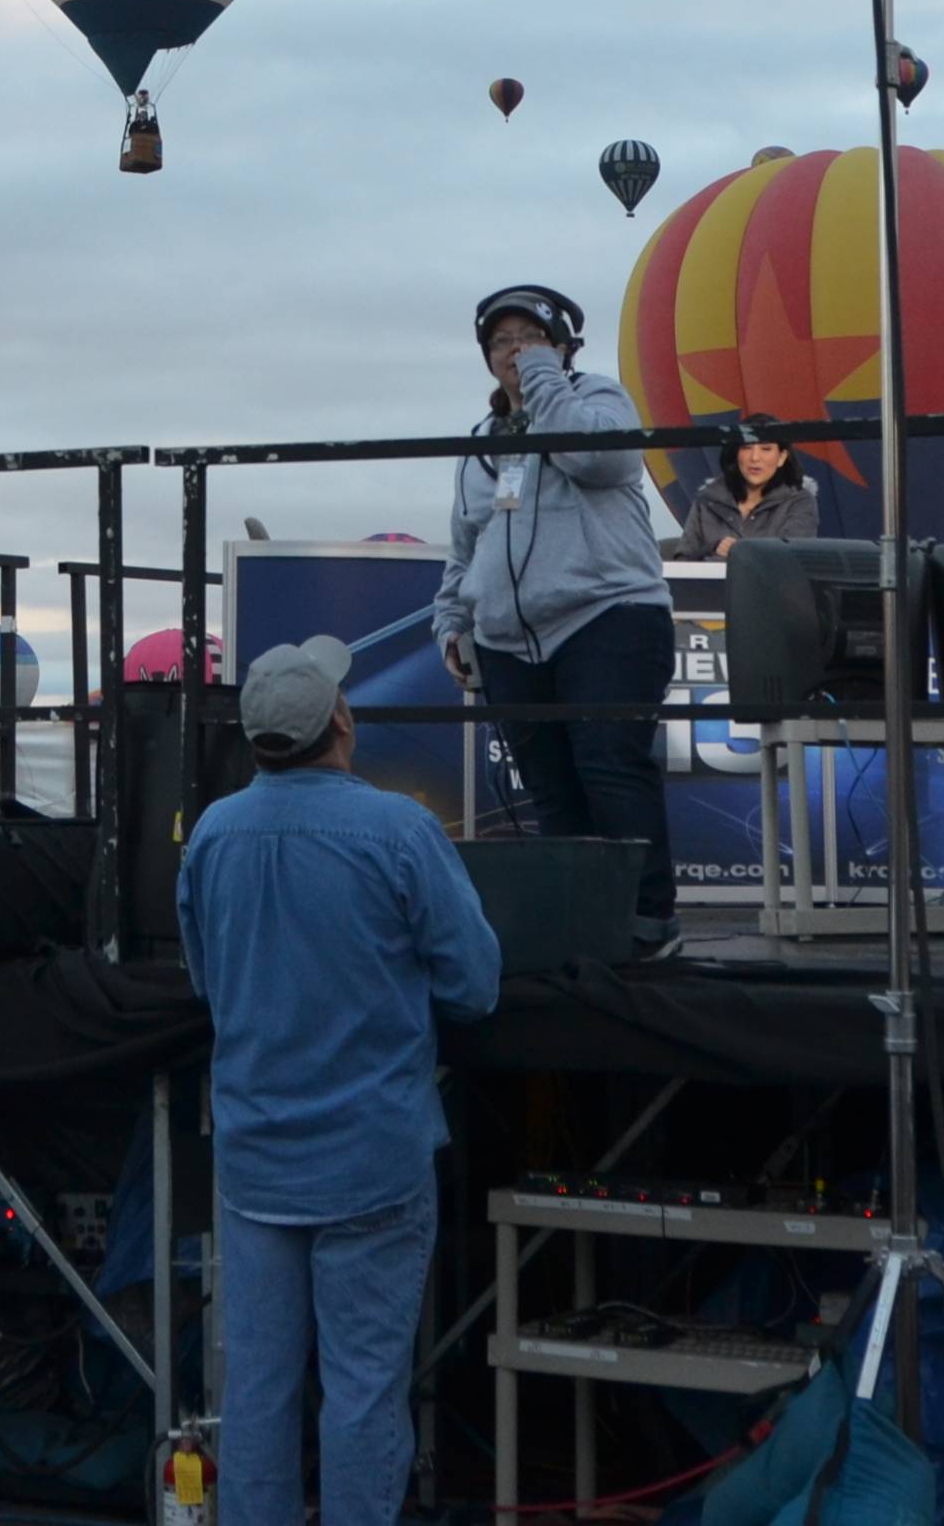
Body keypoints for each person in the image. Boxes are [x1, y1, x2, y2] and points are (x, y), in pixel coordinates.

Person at [177, 636, 500, 1526]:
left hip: (255, 1167)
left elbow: (209, 984)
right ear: (343, 722)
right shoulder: (401, 831)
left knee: (257, 1392)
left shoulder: (211, 834)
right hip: (372, 1160)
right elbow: (475, 986)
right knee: (363, 1394)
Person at [431, 284, 676, 939]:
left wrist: (544, 376)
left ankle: (647, 920)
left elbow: (598, 458)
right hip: (511, 641)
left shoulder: (598, 399)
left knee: (611, 770)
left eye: (531, 339)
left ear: (566, 347)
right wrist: (453, 623)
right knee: (551, 789)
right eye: (502, 342)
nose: (515, 352)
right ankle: (579, 925)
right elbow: (466, 544)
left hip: (608, 615)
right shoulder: (482, 440)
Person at [676, 427, 825, 558]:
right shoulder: (707, 500)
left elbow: (794, 559)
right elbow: (682, 561)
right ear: (736, 454)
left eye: (766, 449)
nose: (755, 458)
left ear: (781, 457)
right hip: (712, 589)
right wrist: (714, 548)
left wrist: (743, 553)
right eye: (746, 447)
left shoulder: (799, 502)